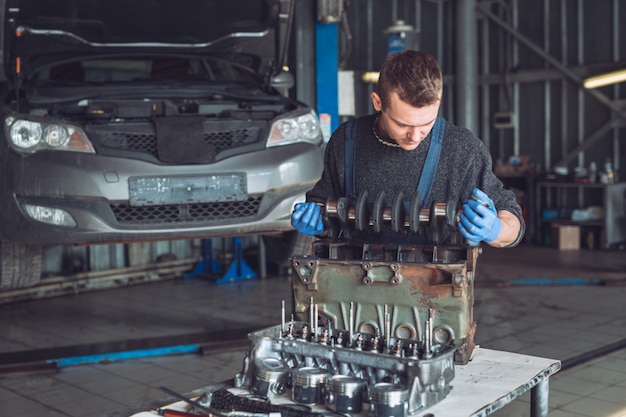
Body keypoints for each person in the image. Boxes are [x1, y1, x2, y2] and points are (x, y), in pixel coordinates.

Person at [292, 50, 524, 247]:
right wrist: (315, 219)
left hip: (436, 286)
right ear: (378, 102)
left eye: (426, 124)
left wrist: (496, 229)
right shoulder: (347, 141)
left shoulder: (462, 150)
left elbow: (511, 220)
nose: (415, 136)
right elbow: (322, 203)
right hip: (356, 281)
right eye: (402, 124)